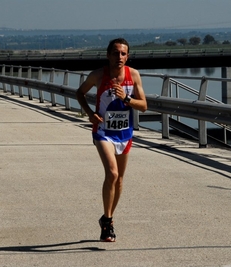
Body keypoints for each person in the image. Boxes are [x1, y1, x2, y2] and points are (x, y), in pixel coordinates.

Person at [76, 38, 147, 242]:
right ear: (108, 55)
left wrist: (126, 98)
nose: (120, 57)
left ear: (128, 56)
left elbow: (143, 106)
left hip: (125, 133)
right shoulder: (98, 75)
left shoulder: (133, 75)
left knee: (120, 179)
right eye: (116, 53)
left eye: (123, 54)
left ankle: (108, 217)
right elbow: (80, 93)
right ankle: (107, 224)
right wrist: (89, 113)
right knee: (112, 173)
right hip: (103, 131)